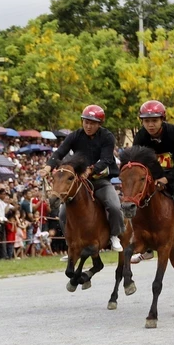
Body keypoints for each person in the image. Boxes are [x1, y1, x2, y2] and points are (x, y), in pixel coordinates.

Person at [39, 105, 125, 253]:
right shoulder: (75, 135)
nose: (88, 126)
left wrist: (90, 170)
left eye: (92, 123)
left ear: (99, 124)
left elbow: (106, 159)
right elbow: (59, 153)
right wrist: (47, 167)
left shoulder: (107, 137)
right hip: (79, 183)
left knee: (115, 207)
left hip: (101, 181)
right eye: (86, 122)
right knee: (62, 213)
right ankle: (71, 245)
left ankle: (114, 235)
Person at [130, 100, 174, 264]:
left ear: (163, 119)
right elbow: (137, 164)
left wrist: (166, 179)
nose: (150, 125)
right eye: (146, 121)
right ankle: (144, 248)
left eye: (154, 120)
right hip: (153, 181)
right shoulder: (141, 136)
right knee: (136, 208)